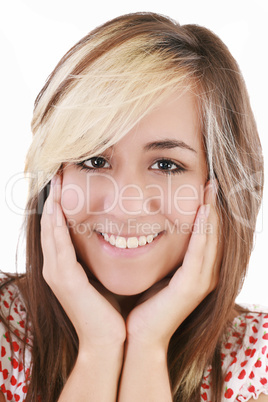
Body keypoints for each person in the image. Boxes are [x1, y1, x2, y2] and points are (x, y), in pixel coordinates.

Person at [0, 11, 267, 402]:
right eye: (93, 160)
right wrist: (99, 348)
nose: (126, 205)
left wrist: (148, 345)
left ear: (221, 188)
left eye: (166, 165)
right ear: (52, 177)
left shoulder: (257, 363)